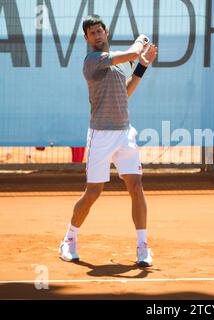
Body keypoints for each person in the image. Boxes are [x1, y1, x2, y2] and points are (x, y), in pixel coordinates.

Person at [59, 15, 158, 267]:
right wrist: (141, 42)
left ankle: (142, 246)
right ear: (87, 39)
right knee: (93, 192)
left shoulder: (116, 63)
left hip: (125, 133)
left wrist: (142, 67)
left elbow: (124, 93)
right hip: (100, 135)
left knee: (136, 188)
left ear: (106, 31)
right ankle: (69, 239)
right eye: (91, 33)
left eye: (99, 31)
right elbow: (134, 51)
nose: (97, 35)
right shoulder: (93, 61)